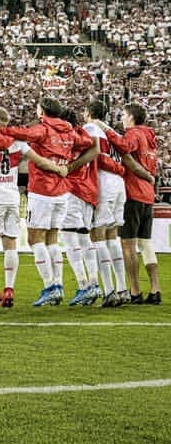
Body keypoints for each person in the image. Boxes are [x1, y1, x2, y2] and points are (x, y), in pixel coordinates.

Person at [0, 106, 67, 310]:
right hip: (12, 197)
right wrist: (59, 169)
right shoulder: (18, 142)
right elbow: (40, 160)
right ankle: (9, 289)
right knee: (10, 244)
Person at [5, 97, 92, 308]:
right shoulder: (69, 132)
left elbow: (22, 134)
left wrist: (4, 128)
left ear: (42, 111)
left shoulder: (43, 129)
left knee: (35, 239)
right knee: (52, 240)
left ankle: (51, 286)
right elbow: (88, 142)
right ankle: (58, 285)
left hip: (42, 190)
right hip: (62, 191)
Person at [96, 104, 160, 304]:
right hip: (147, 197)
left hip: (133, 193)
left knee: (128, 245)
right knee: (146, 244)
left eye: (123, 115)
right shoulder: (150, 138)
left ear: (131, 117)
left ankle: (134, 291)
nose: (122, 118)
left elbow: (125, 147)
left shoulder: (134, 134)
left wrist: (106, 129)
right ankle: (155, 289)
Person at [82, 99, 129, 307]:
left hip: (105, 183)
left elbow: (96, 155)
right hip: (120, 185)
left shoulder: (91, 127)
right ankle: (122, 288)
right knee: (112, 236)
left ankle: (109, 290)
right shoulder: (113, 132)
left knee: (98, 236)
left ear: (89, 113)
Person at [61, 109, 101, 307]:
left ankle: (84, 285)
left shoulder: (63, 138)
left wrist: (68, 168)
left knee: (69, 240)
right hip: (88, 191)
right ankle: (94, 283)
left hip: (71, 190)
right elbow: (95, 149)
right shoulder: (84, 134)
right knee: (85, 238)